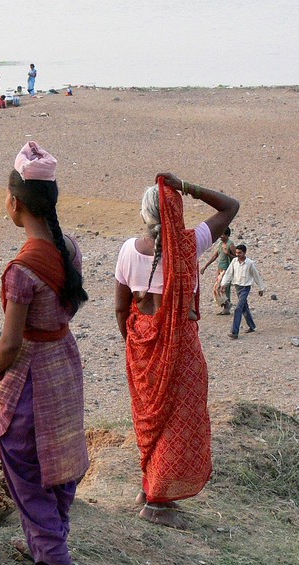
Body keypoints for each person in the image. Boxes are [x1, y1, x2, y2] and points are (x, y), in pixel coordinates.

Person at [0, 142, 89, 565]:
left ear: (15, 202)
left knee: (21, 457)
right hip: (64, 364)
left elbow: (11, 341)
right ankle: (49, 542)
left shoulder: (21, 270)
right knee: (59, 459)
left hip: (33, 370)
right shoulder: (69, 248)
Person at [114, 174, 239, 529]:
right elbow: (231, 206)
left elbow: (122, 309)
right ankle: (158, 502)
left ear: (144, 215)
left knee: (149, 415)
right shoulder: (192, 243)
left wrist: (138, 346)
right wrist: (187, 186)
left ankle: (149, 487)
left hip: (141, 344)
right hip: (180, 347)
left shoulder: (127, 250)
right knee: (178, 418)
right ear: (177, 210)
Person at [220, 244, 266, 339]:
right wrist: (223, 284)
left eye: (240, 253)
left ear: (244, 253)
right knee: (244, 307)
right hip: (237, 286)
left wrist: (261, 288)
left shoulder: (250, 263)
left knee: (238, 309)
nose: (238, 254)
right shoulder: (234, 261)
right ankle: (252, 326)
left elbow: (256, 275)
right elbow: (229, 273)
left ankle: (234, 332)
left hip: (245, 288)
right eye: (236, 253)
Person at [201, 226, 237, 315]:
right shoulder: (221, 245)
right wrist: (205, 266)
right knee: (218, 288)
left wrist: (228, 254)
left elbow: (237, 258)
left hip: (227, 270)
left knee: (222, 288)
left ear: (227, 235)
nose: (221, 236)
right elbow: (215, 256)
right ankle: (226, 306)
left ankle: (227, 305)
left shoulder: (230, 245)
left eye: (223, 235)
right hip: (220, 269)